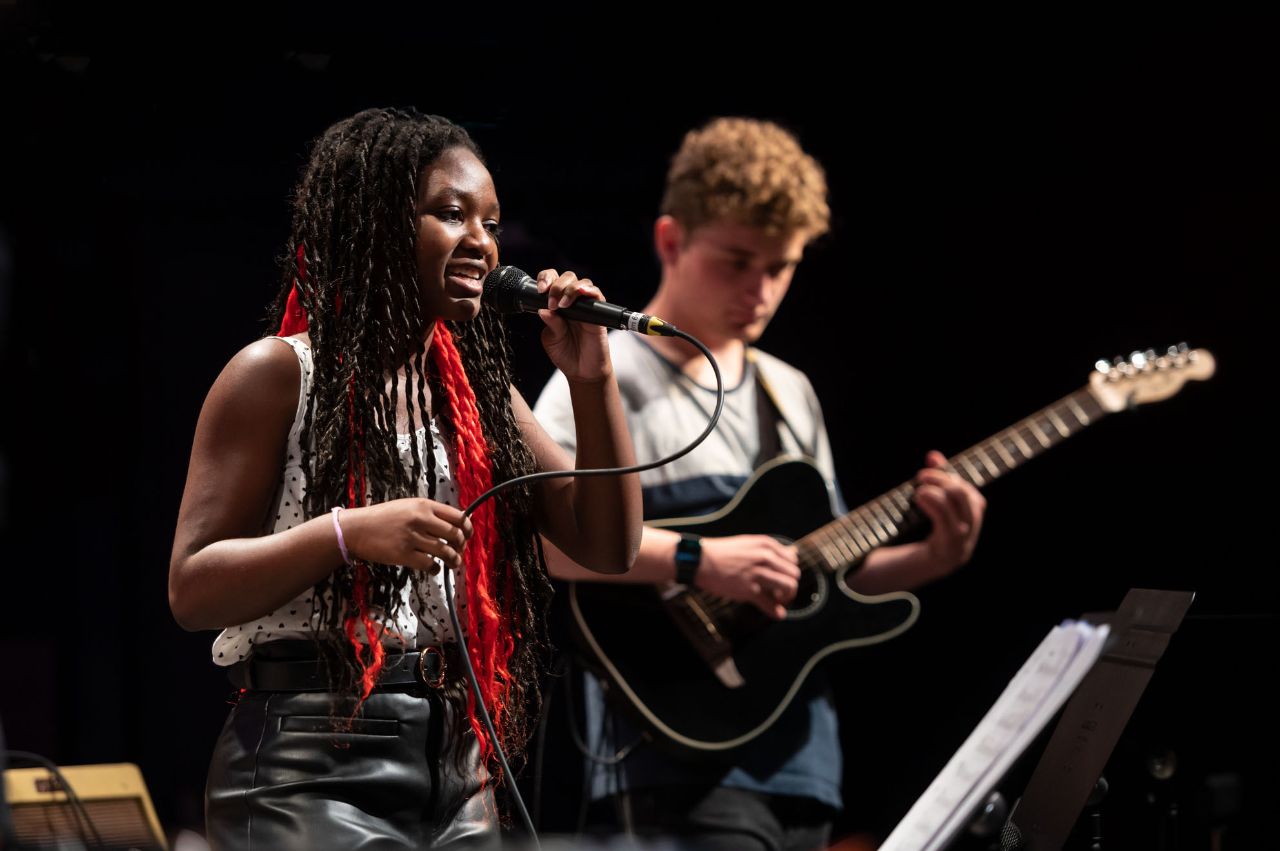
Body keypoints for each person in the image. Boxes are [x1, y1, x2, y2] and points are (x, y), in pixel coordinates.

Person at [168, 107, 641, 850]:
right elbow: (192, 588)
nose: (482, 242)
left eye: (490, 221)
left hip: (456, 758)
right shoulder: (278, 373)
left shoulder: (480, 396)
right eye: (451, 215)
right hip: (311, 756)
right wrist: (347, 532)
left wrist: (593, 377)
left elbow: (608, 546)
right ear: (375, 224)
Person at [533, 117, 987, 850]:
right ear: (672, 241)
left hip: (801, 761)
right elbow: (549, 540)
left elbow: (825, 578)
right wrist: (701, 559)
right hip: (667, 757)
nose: (761, 289)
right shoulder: (599, 372)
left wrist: (938, 556)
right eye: (738, 261)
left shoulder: (789, 390)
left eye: (781, 266)